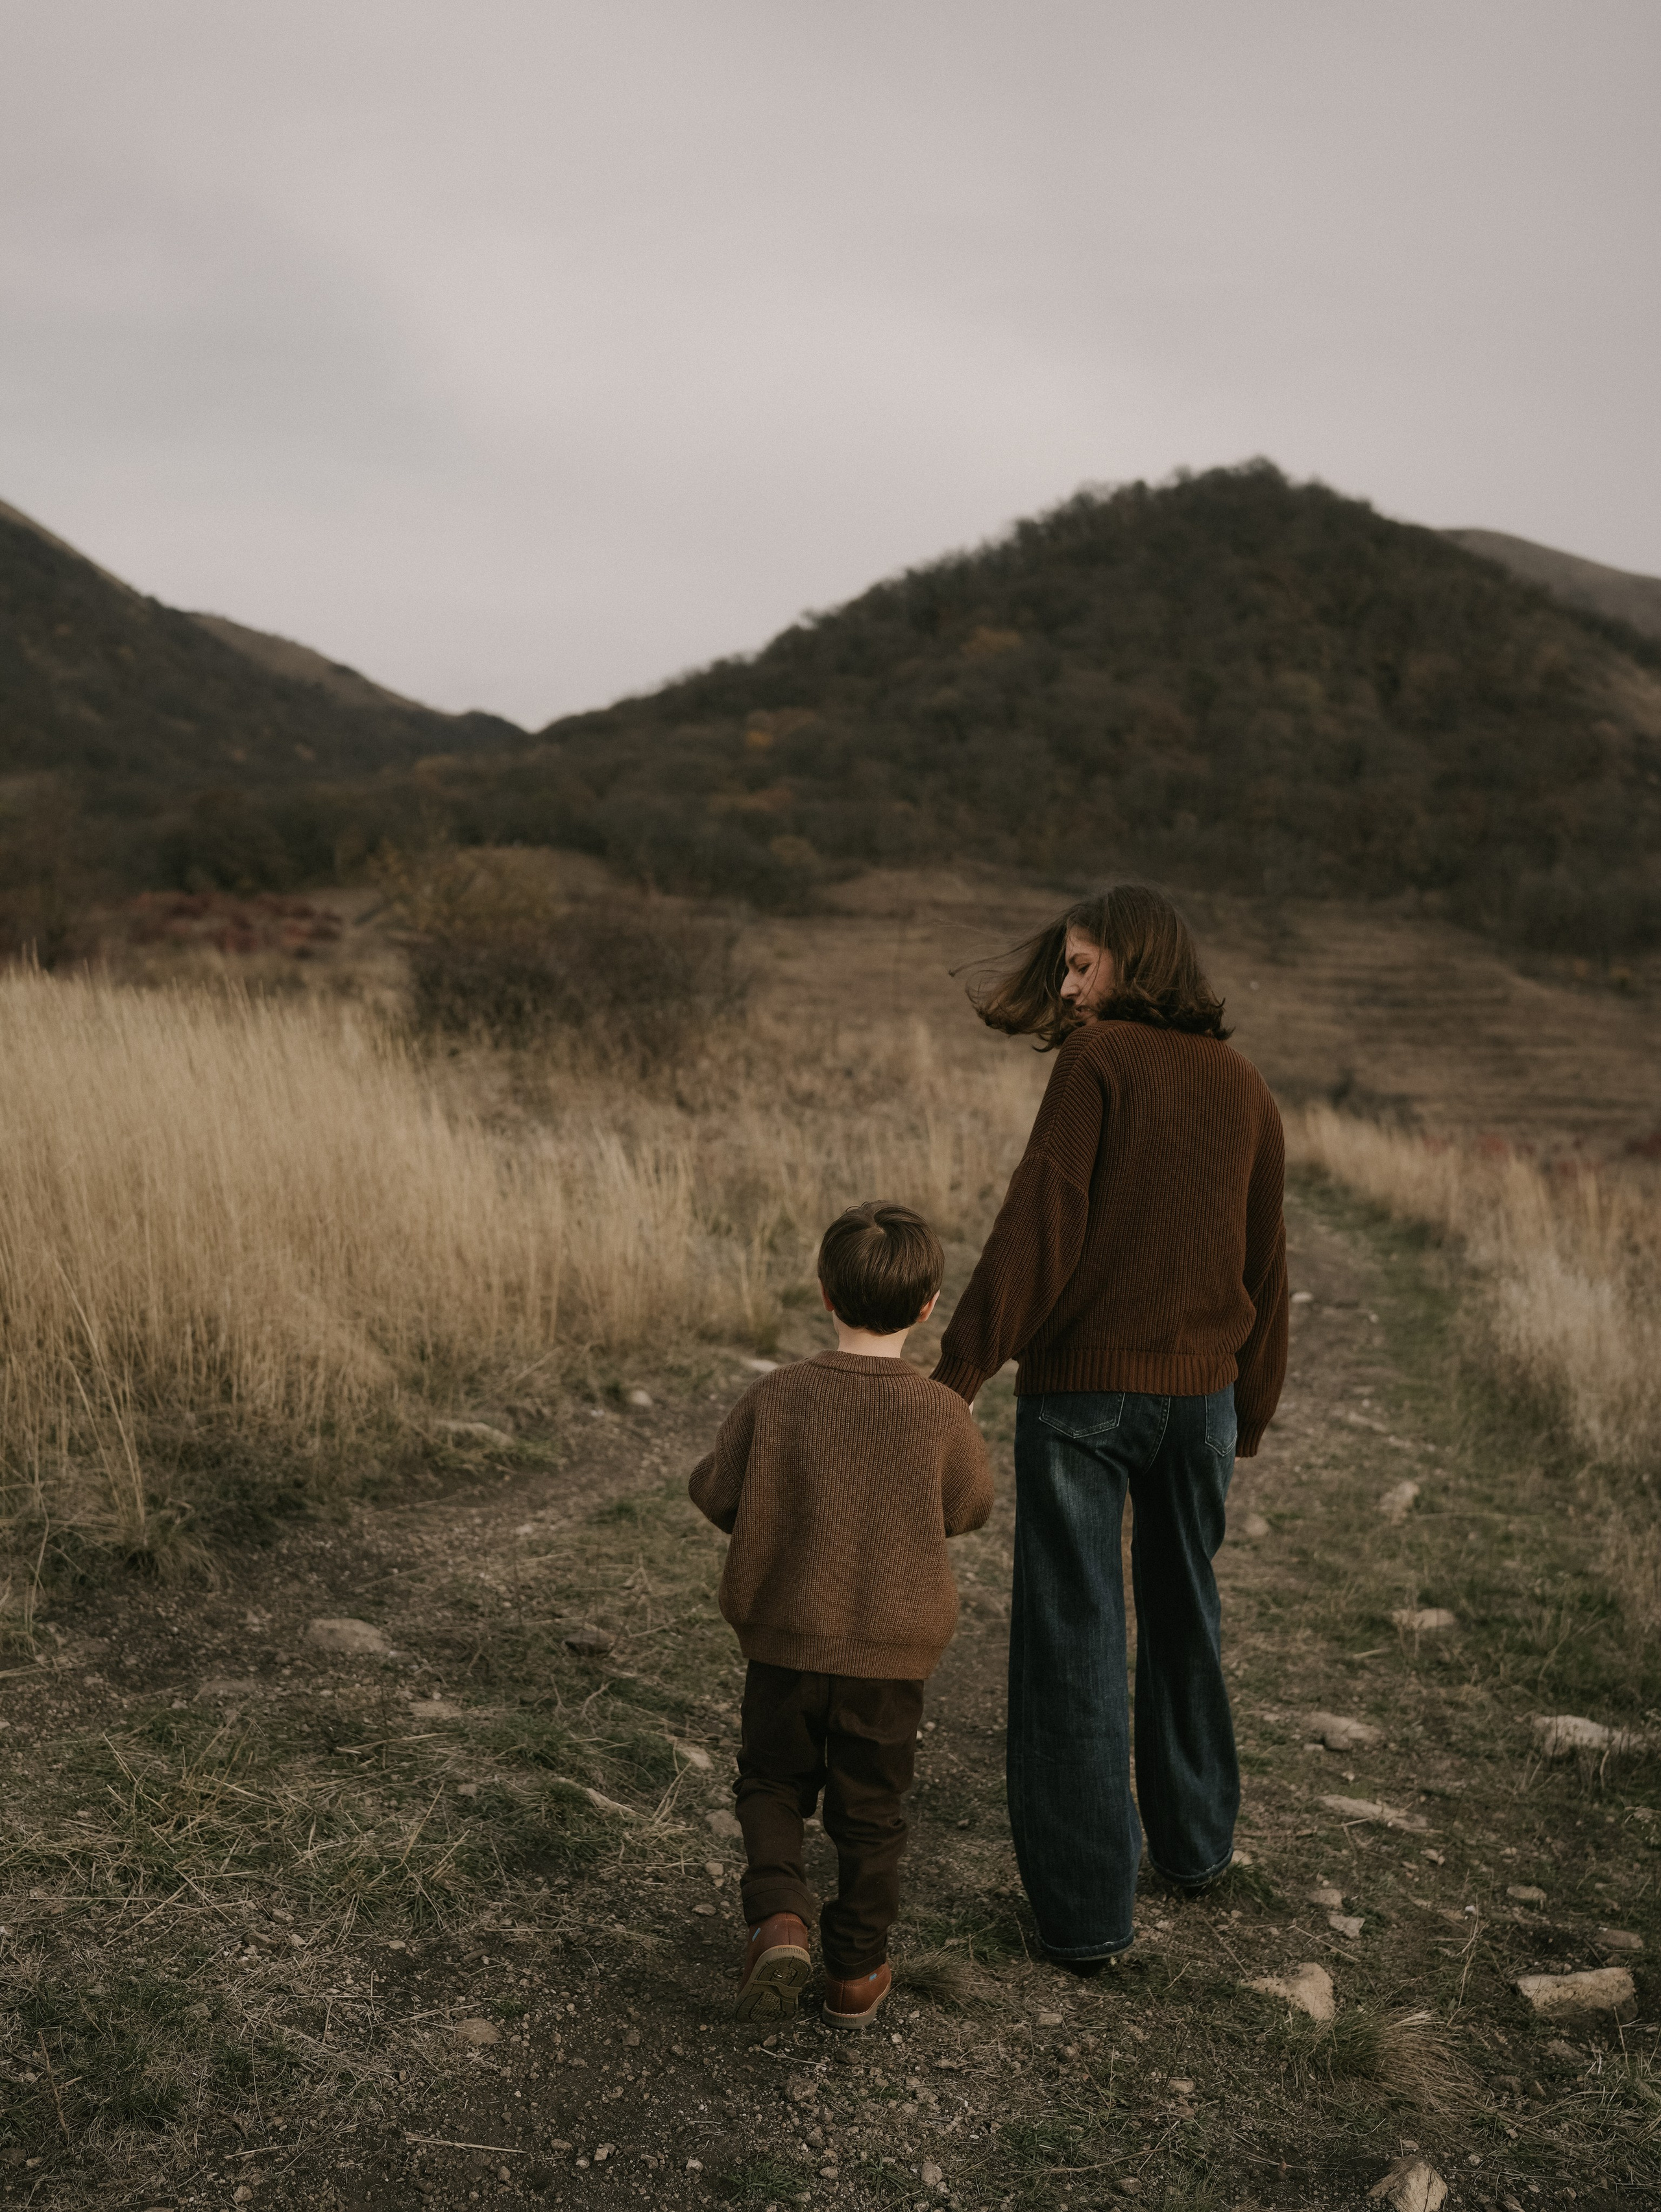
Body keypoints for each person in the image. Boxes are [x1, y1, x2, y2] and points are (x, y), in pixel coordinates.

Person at [930, 885, 1287, 1971]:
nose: (1071, 991)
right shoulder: (1243, 1083)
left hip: (1084, 1398)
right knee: (1187, 1616)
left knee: (1070, 1641)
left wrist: (958, 1375)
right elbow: (1263, 1260)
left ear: (1136, 963)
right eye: (1066, 971)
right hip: (1201, 1402)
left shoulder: (1094, 1066)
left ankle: (1088, 1916)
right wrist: (1251, 1405)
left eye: (1084, 968)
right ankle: (1194, 1848)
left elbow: (1041, 1221)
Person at [688, 1201, 993, 2027]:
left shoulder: (776, 1396)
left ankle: (780, 1914)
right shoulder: (941, 1413)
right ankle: (855, 1972)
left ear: (823, 1290)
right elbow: (969, 1506)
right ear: (930, 1304)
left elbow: (718, 1492)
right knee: (871, 1811)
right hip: (890, 1661)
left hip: (784, 1641)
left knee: (773, 1778)